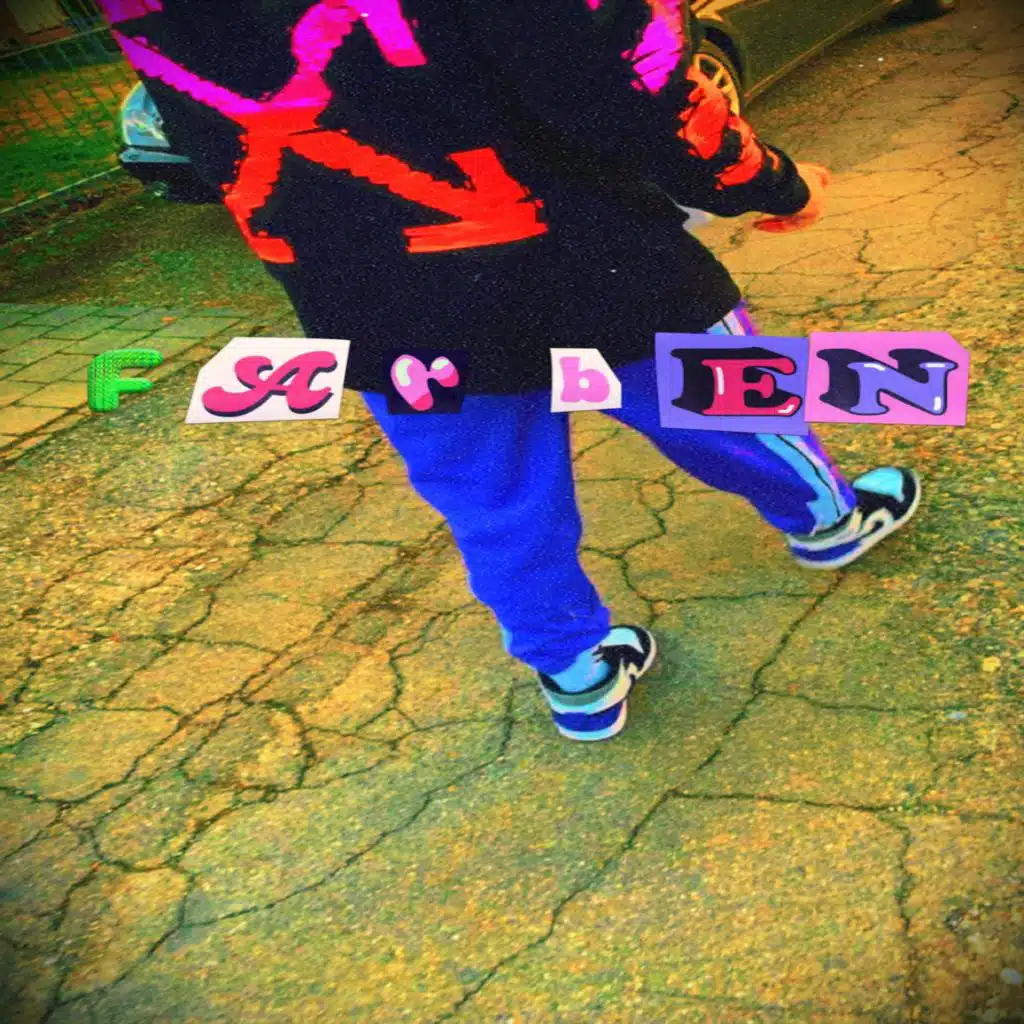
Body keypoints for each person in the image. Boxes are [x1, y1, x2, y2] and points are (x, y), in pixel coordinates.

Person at [100, 0, 921, 742]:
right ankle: (828, 521)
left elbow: (197, 128)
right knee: (723, 401)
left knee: (491, 497)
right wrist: (771, 184)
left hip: (372, 295)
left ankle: (576, 670)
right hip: (582, 249)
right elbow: (631, 80)